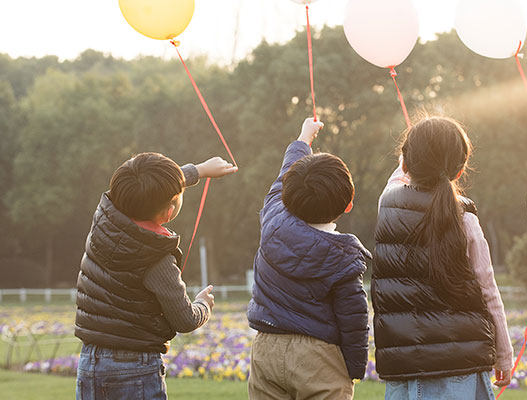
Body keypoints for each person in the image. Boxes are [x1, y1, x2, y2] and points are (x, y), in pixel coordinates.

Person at [74, 152, 236, 399]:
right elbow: (185, 320)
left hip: (90, 361)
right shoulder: (155, 257)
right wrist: (203, 305)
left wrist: (200, 170)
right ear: (169, 211)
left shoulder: (105, 219)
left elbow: (148, 187)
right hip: (134, 368)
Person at [373, 116, 513, 400]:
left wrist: (411, 155)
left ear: (405, 163)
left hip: (405, 368)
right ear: (460, 170)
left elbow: (397, 177)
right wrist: (504, 355)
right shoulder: (466, 219)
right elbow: (488, 292)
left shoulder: (387, 203)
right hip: (460, 365)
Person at [247, 118, 371, 399]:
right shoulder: (343, 258)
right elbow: (353, 319)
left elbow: (284, 173)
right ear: (348, 205)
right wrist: (353, 368)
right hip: (318, 356)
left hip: (266, 348)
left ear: (287, 193)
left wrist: (303, 139)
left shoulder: (272, 216)